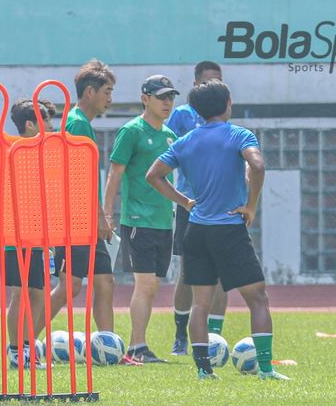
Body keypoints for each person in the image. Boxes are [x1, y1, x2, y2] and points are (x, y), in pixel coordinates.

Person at [146, 80, 289, 381]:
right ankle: (265, 368)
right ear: (228, 103)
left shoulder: (186, 140)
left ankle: (203, 370)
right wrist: (251, 205)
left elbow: (153, 175)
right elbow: (259, 165)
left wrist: (184, 201)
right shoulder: (238, 134)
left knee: (201, 303)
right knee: (258, 299)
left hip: (196, 229)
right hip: (228, 230)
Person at [104, 75, 179, 364]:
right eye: (161, 97)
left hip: (163, 220)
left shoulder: (170, 135)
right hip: (138, 219)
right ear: (145, 98)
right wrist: (107, 213)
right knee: (145, 284)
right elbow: (115, 174)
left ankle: (139, 346)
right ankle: (137, 347)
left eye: (171, 97)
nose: (167, 102)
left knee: (153, 285)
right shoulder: (131, 131)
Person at [48, 59, 116, 333]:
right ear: (90, 92)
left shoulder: (82, 124)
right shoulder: (76, 125)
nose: (110, 98)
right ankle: (23, 343)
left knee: (104, 282)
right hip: (74, 220)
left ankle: (109, 347)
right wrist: (101, 217)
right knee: (70, 287)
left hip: (87, 220)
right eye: (107, 91)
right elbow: (78, 179)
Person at [165, 61, 229, 356]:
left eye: (217, 81)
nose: (212, 87)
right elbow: (165, 153)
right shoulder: (181, 115)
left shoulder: (222, 117)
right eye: (207, 82)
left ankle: (214, 339)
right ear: (195, 85)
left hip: (221, 204)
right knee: (188, 273)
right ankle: (181, 335)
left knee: (220, 272)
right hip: (190, 204)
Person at [4, 98, 56, 369]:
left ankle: (27, 348)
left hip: (39, 234)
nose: (51, 126)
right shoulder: (15, 151)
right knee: (19, 294)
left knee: (37, 294)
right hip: (17, 235)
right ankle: (16, 352)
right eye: (45, 120)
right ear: (29, 124)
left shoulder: (44, 151)